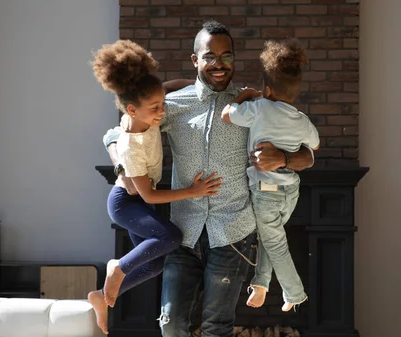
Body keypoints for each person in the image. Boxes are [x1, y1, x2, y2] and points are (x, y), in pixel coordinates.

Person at [103, 21, 314, 337]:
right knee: (172, 325)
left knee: (218, 327)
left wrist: (282, 158)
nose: (218, 64)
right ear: (195, 60)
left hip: (233, 231)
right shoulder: (171, 105)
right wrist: (125, 170)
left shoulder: (256, 106)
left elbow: (307, 155)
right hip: (183, 231)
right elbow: (112, 135)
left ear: (234, 58)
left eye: (226, 56)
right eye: (209, 56)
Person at [88, 39, 222, 335]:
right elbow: (145, 193)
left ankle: (101, 296)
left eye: (162, 104)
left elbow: (169, 86)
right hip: (127, 204)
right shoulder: (131, 144)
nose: (162, 111)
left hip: (140, 203)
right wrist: (193, 191)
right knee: (171, 236)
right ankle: (118, 268)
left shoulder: (143, 118)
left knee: (155, 264)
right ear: (133, 109)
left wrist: (200, 84)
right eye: (155, 107)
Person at [221, 38, 319, 312]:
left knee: (275, 243)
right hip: (291, 193)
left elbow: (226, 115)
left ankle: (295, 293)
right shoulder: (301, 119)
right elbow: (315, 145)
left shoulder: (259, 107)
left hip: (266, 193)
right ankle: (261, 283)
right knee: (270, 236)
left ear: (267, 89)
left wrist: (245, 95)